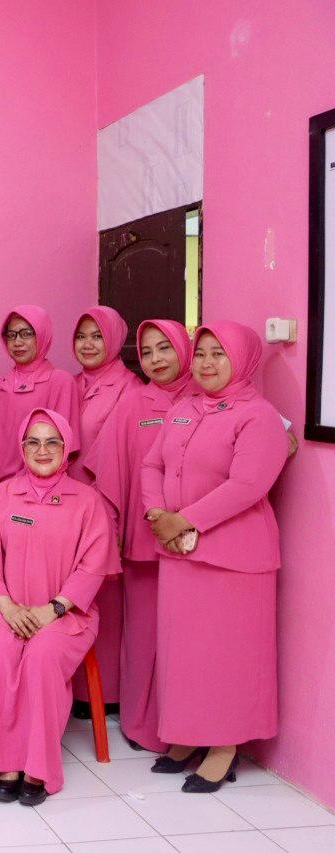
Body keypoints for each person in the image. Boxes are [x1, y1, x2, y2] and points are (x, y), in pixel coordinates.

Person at [140, 321, 288, 793]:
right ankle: (187, 736)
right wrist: (157, 513)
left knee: (227, 657)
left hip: (233, 560)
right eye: (201, 353)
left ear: (240, 359)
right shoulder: (183, 408)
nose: (206, 363)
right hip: (179, 553)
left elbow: (248, 485)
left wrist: (183, 521)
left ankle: (224, 747)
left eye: (218, 354)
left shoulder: (258, 415)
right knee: (185, 654)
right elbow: (152, 463)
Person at [0, 408, 117, 804]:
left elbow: (93, 566)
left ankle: (37, 767)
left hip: (67, 613)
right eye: (33, 442)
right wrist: (9, 609)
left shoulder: (87, 501)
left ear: (66, 448)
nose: (42, 449)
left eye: (52, 442)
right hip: (5, 609)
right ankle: (4, 763)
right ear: (21, 448)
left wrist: (53, 609)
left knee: (41, 655)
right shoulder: (0, 497)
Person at [82, 319, 192, 753]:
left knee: (187, 639)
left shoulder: (204, 396)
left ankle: (188, 728)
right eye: (146, 352)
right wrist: (112, 530)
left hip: (197, 542)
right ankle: (143, 726)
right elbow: (107, 471)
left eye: (164, 348)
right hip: (145, 543)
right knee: (144, 637)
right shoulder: (132, 402)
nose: (156, 359)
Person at [68, 307, 139, 713]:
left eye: (97, 336)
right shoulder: (71, 383)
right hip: (64, 501)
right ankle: (77, 689)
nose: (88, 344)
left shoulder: (128, 387)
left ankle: (106, 693)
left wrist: (101, 504)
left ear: (113, 339)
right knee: (71, 590)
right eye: (81, 336)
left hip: (103, 500)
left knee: (105, 596)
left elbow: (117, 452)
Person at [0, 306, 79, 490]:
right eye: (11, 335)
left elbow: (61, 447)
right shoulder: (0, 384)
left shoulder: (60, 381)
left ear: (42, 335)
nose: (17, 342)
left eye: (26, 333)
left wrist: (16, 488)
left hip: (37, 488)